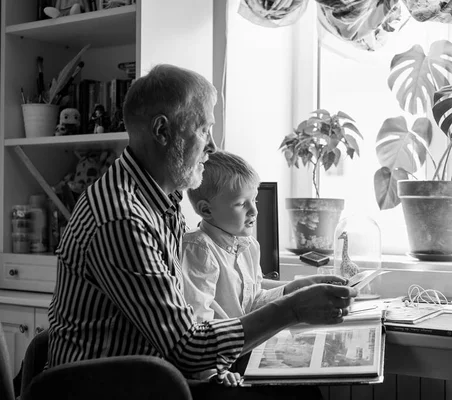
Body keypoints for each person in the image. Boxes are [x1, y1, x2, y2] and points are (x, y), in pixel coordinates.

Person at [46, 64, 356, 400]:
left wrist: (288, 296)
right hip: (106, 391)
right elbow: (188, 347)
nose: (211, 145)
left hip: (154, 379)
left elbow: (182, 320)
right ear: (162, 131)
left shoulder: (161, 202)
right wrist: (293, 309)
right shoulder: (124, 218)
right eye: (204, 129)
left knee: (296, 390)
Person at [182, 150, 345, 385]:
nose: (254, 210)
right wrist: (210, 374)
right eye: (241, 204)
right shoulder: (198, 249)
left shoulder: (249, 245)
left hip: (245, 350)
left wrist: (294, 289)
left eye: (254, 200)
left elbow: (254, 298)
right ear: (206, 210)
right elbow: (197, 319)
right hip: (218, 364)